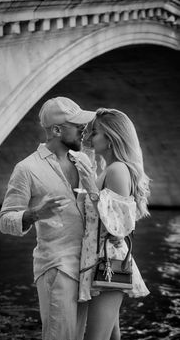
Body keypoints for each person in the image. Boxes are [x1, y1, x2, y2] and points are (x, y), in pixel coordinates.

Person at [0, 97, 96, 340]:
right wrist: (34, 214)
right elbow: (4, 219)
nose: (83, 128)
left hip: (88, 266)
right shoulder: (27, 168)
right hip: (56, 267)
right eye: (77, 124)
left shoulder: (83, 160)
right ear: (56, 130)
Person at [74, 108, 150, 340]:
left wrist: (91, 188)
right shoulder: (109, 168)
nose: (89, 138)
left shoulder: (117, 169)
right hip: (101, 259)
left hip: (109, 262)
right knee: (112, 336)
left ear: (111, 137)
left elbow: (120, 225)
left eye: (95, 133)